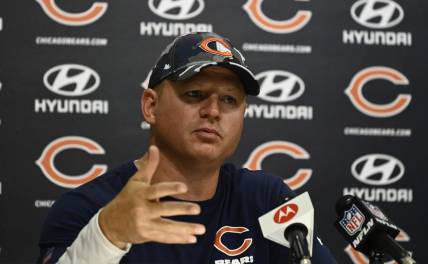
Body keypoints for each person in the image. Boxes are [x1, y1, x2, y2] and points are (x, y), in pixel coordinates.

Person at [37, 32, 337, 263]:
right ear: (151, 106)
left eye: (229, 100)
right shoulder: (85, 209)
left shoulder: (271, 198)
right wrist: (107, 235)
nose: (213, 111)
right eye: (195, 94)